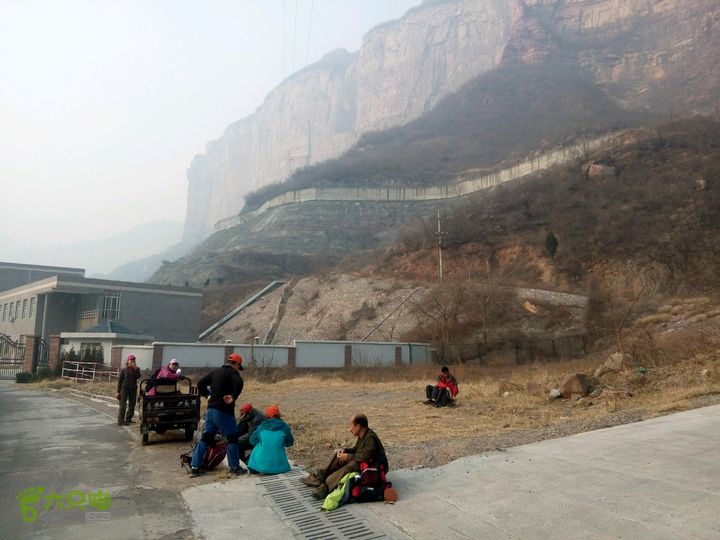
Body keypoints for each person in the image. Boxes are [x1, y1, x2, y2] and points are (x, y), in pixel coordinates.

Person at [301, 413, 388, 499]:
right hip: (365, 463)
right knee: (338, 455)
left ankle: (326, 488)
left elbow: (364, 457)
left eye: (351, 426)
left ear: (358, 426)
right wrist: (345, 450)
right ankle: (319, 477)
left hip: (376, 469)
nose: (350, 429)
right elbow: (356, 450)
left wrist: (347, 457)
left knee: (353, 465)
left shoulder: (370, 438)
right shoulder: (363, 435)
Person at [189, 352, 247, 477]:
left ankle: (195, 467)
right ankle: (234, 467)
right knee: (232, 438)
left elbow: (200, 383)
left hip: (210, 411)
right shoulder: (233, 373)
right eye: (239, 367)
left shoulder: (215, 372)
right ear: (237, 364)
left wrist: (207, 396)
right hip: (224, 412)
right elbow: (239, 383)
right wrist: (233, 396)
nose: (238, 369)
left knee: (206, 438)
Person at [247, 404, 294, 474]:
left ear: (267, 416)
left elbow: (252, 441)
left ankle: (254, 467)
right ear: (278, 416)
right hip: (280, 468)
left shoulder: (261, 427)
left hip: (262, 468)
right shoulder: (285, 427)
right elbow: (290, 443)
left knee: (258, 445)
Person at [116, 354, 142, 425]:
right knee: (123, 405)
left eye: (134, 360)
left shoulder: (137, 369)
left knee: (132, 405)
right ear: (128, 361)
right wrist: (118, 391)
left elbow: (138, 376)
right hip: (124, 389)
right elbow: (120, 381)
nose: (133, 361)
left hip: (133, 389)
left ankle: (128, 419)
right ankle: (120, 421)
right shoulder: (124, 370)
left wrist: (135, 368)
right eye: (131, 360)